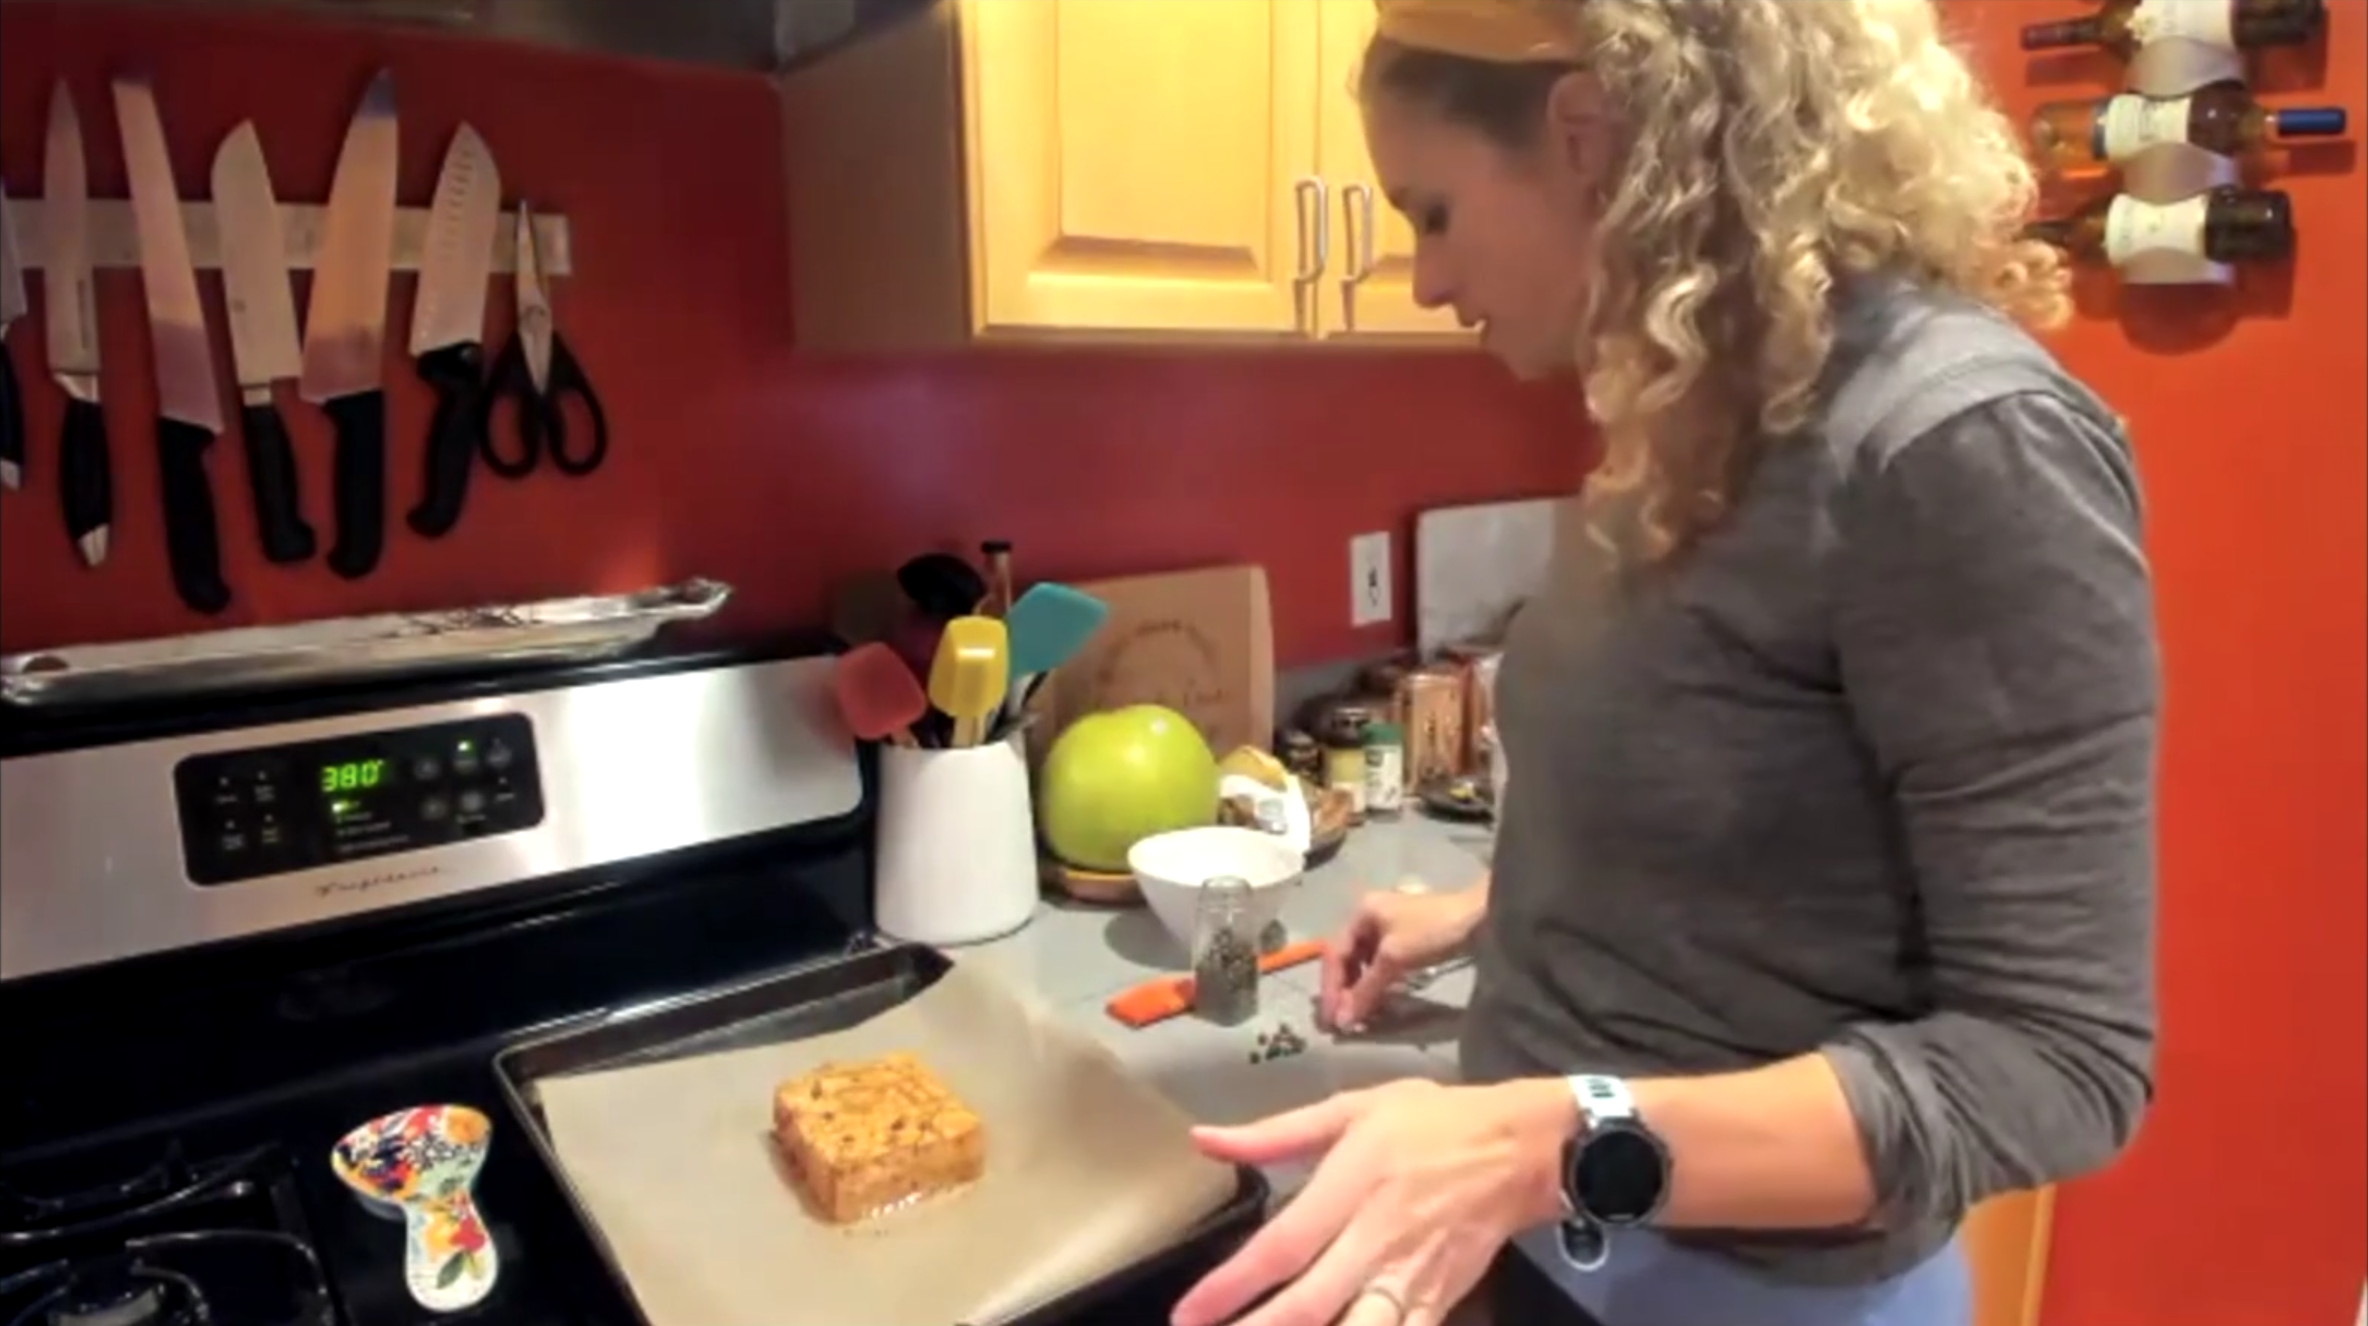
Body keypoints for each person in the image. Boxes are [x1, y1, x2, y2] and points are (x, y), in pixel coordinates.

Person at [1168, 3, 2161, 1325]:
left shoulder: (1950, 438)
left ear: (1586, 136)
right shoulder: (1693, 402)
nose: (1424, 279)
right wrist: (1497, 910)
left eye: (1435, 213)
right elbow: (1760, 818)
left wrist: (1538, 1146)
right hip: (1554, 1249)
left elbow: (2057, 1065)